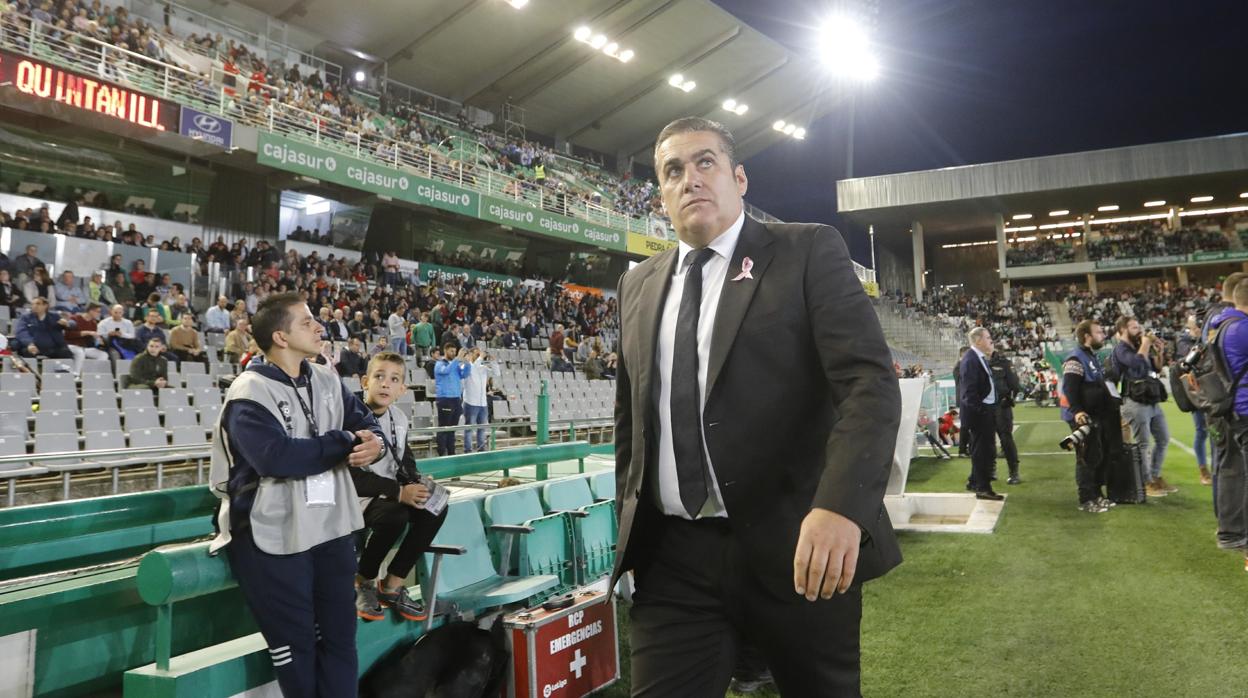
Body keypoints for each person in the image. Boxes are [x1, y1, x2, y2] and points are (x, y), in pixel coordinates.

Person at [612, 117, 901, 696]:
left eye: (705, 163)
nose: (690, 178)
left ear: (739, 178)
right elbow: (631, 424)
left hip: (798, 545)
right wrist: (632, 530)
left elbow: (868, 384)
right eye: (674, 171)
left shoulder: (806, 250)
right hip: (675, 559)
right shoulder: (637, 284)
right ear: (662, 195)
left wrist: (842, 507)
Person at [207, 292, 384, 698]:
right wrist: (343, 442)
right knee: (297, 646)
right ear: (280, 337)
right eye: (306, 322)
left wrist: (373, 443)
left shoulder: (325, 378)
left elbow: (368, 425)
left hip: (332, 526)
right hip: (272, 534)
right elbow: (277, 458)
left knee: (341, 639)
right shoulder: (248, 392)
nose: (319, 327)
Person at [351, 352, 448, 622]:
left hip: (387, 494)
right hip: (354, 497)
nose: (385, 384)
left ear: (401, 389)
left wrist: (415, 481)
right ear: (364, 381)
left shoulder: (399, 418)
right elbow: (350, 477)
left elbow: (403, 458)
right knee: (396, 515)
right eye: (379, 377)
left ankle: (392, 585)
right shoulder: (349, 416)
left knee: (435, 507)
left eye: (394, 379)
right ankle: (365, 580)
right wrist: (399, 492)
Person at [1061, 320, 1134, 511]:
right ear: (1087, 336)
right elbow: (1069, 388)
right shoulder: (1075, 359)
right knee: (1087, 457)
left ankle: (1096, 494)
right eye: (1098, 332)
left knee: (1100, 455)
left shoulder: (1092, 357)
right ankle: (1085, 499)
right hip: (1083, 416)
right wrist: (1077, 411)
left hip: (1098, 415)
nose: (1102, 335)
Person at [1207, 281, 1248, 568]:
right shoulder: (1243, 329)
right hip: (1245, 408)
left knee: (1231, 470)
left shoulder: (1221, 326)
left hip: (1231, 409)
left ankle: (1231, 532)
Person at [1109, 317, 1173, 497]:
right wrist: (1145, 343)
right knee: (1143, 444)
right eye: (1134, 327)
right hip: (1134, 402)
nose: (1139, 330)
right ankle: (1146, 483)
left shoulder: (1138, 347)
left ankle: (1155, 476)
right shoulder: (1120, 349)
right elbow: (1136, 362)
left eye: (1139, 327)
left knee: (1163, 438)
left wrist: (1159, 353)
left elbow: (1156, 368)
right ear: (1123, 329)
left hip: (1150, 400)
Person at [959, 327, 1004, 501]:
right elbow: (969, 393)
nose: (990, 340)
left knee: (982, 449)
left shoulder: (977, 358)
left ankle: (974, 481)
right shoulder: (971, 360)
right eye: (987, 337)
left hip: (985, 409)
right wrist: (982, 411)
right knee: (983, 451)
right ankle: (983, 488)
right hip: (980, 413)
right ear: (978, 341)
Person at [1177, 314, 1213, 485]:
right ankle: (1203, 470)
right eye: (1193, 326)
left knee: (1214, 431)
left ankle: (1217, 465)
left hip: (1210, 390)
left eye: (1198, 325)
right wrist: (1201, 339)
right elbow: (1190, 360)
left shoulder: (1205, 338)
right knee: (1201, 431)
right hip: (1196, 392)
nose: (1195, 328)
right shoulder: (1184, 342)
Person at [988, 349, 1023, 484]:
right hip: (985, 407)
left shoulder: (1004, 363)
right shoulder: (978, 362)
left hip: (1001, 406)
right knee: (987, 439)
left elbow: (1015, 385)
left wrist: (1009, 398)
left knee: (1006, 439)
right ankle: (991, 470)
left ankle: (1013, 472)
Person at [433, 343, 471, 456]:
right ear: (445, 350)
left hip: (456, 399)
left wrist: (467, 363)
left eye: (455, 351)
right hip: (445, 399)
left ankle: (451, 453)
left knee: (452, 429)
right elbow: (446, 371)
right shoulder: (439, 364)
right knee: (444, 428)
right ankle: (441, 454)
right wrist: (457, 359)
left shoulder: (456, 364)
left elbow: (464, 375)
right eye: (451, 351)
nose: (453, 353)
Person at [460, 348, 497, 453]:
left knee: (482, 428)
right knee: (469, 428)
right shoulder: (466, 366)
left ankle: (481, 448)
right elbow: (474, 367)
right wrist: (481, 357)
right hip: (471, 402)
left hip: (482, 403)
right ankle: (468, 450)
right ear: (471, 354)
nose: (479, 354)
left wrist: (493, 361)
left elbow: (497, 373)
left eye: (479, 353)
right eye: (476, 353)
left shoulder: (483, 367)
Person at [64, 302, 110, 374]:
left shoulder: (93, 324)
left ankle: (92, 374)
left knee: (103, 355)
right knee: (80, 352)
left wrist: (99, 341)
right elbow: (68, 335)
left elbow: (90, 341)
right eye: (98, 311)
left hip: (84, 347)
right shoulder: (75, 318)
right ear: (91, 311)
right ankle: (76, 375)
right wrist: (87, 332)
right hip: (71, 345)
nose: (99, 314)